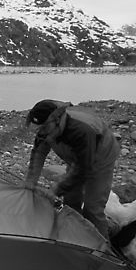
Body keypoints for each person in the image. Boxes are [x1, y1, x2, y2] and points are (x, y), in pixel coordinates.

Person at [23, 99, 120, 240]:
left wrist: (55, 190)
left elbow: (83, 168)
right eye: (38, 130)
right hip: (76, 157)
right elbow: (38, 153)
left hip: (100, 157)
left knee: (92, 208)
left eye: (43, 129)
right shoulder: (46, 129)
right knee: (70, 200)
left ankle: (103, 251)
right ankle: (75, 236)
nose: (41, 133)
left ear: (56, 121)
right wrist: (30, 183)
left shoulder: (81, 130)